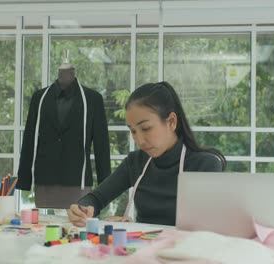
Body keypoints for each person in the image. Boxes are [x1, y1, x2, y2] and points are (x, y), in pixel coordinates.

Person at [68, 81, 226, 227]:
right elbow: (96, 198)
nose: (139, 140)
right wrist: (83, 210)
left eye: (146, 128)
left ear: (171, 121)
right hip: (144, 251)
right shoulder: (135, 162)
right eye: (133, 131)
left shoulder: (206, 165)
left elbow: (211, 230)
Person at [16, 53, 111, 215]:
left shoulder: (92, 99)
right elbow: (29, 140)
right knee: (44, 229)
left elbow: (102, 146)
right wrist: (24, 181)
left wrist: (106, 187)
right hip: (45, 181)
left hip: (77, 181)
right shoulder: (39, 98)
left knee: (78, 226)